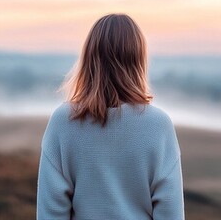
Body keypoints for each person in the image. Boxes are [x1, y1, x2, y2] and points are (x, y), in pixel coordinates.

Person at [36, 13, 184, 219]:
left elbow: (50, 214)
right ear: (138, 60)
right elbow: (170, 213)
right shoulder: (159, 125)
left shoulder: (63, 121)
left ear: (89, 58)